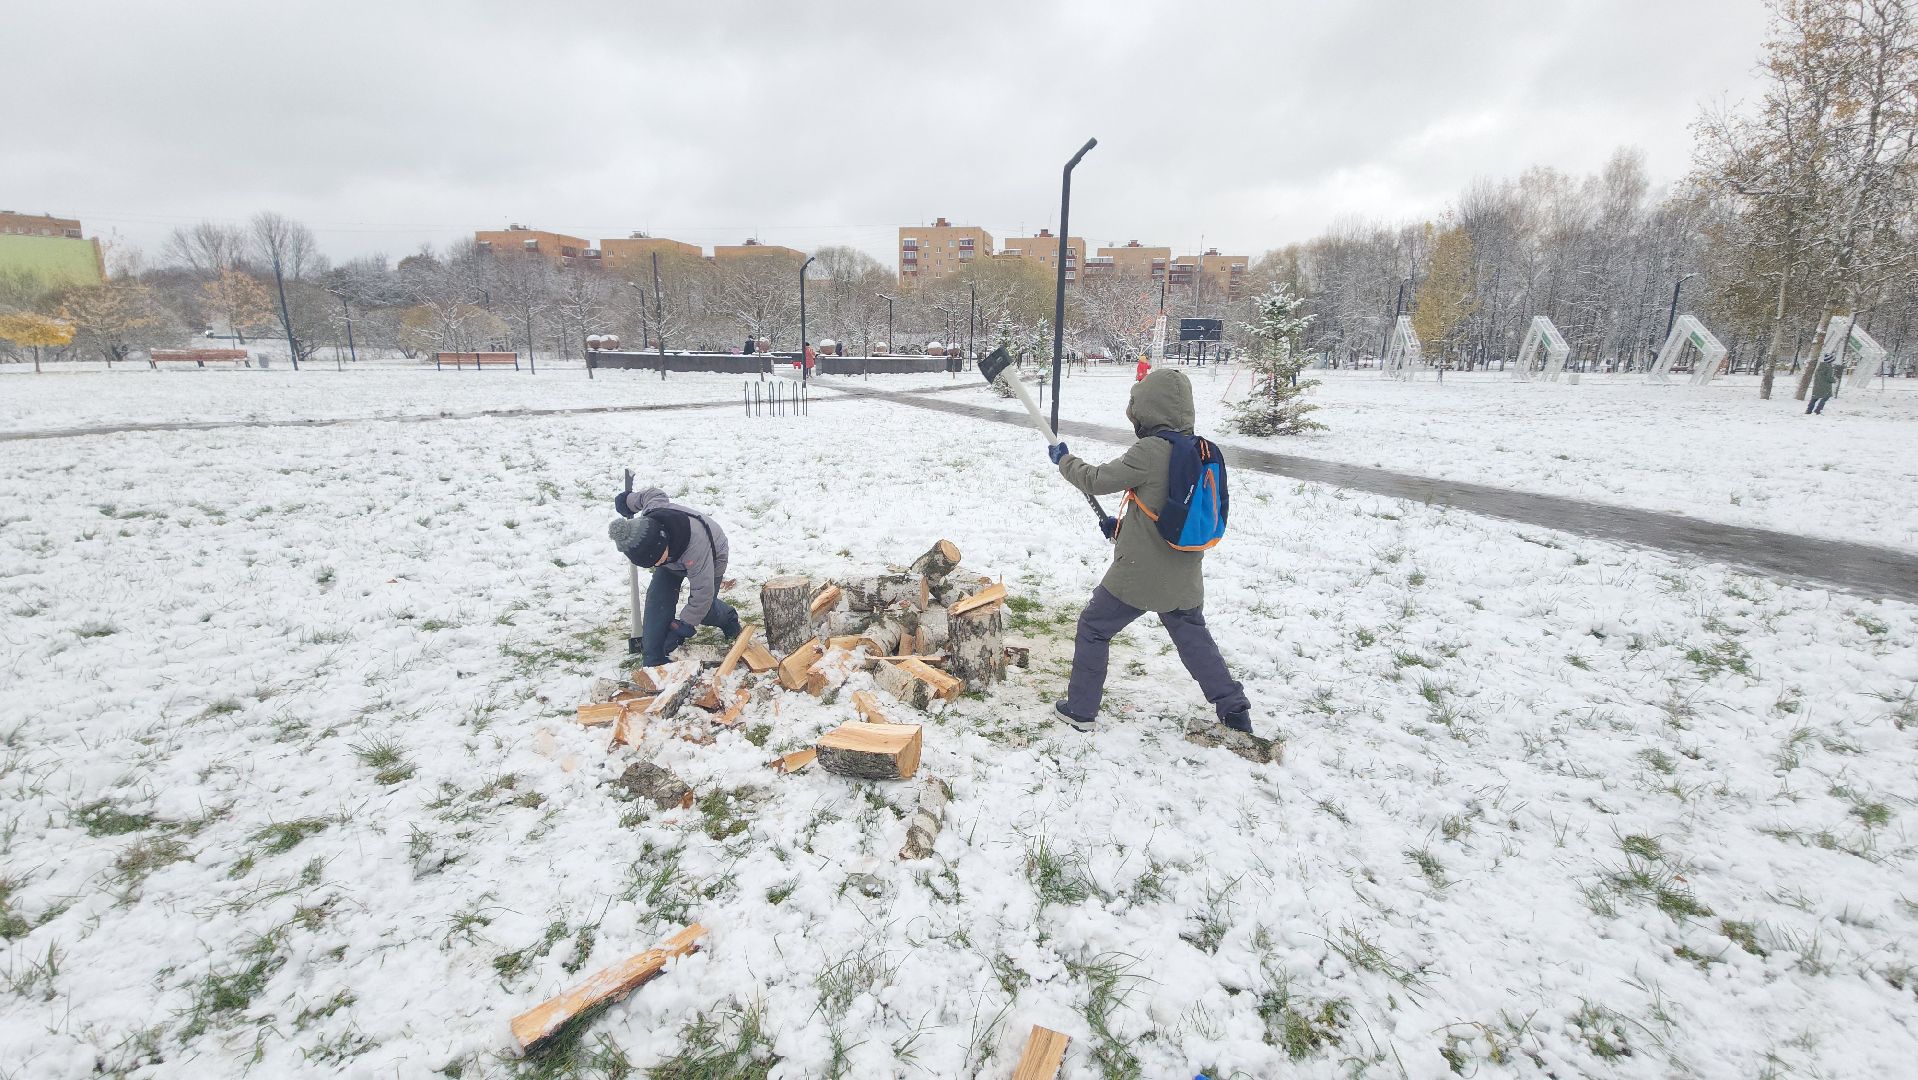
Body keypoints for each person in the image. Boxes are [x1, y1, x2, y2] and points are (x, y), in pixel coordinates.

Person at [1047, 369, 1252, 734]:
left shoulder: (1151, 450)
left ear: (1147, 409)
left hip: (1139, 574)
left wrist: (1065, 460)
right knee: (1193, 639)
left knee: (1094, 627)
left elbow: (1095, 479)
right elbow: (1168, 510)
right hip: (1184, 573)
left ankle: (1080, 711)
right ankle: (1234, 708)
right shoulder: (1201, 451)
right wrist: (1121, 528)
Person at [608, 487, 742, 666]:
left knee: (705, 610)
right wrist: (629, 501)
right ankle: (654, 660)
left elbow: (702, 593)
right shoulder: (652, 512)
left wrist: (683, 627)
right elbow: (653, 494)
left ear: (662, 543)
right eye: (651, 563)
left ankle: (728, 617)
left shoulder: (696, 545)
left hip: (712, 554)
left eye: (656, 560)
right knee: (657, 600)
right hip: (673, 559)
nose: (656, 565)